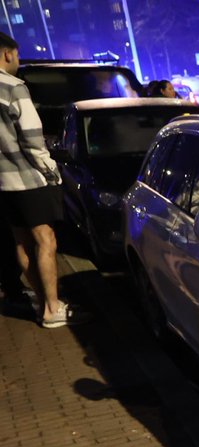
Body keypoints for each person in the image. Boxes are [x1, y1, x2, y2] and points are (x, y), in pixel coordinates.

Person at [0, 32, 89, 328]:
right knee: (45, 240)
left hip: (3, 184)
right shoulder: (13, 88)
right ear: (7, 54)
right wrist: (52, 172)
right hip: (27, 180)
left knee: (22, 242)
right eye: (16, 55)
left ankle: (43, 303)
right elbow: (32, 140)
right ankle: (52, 308)